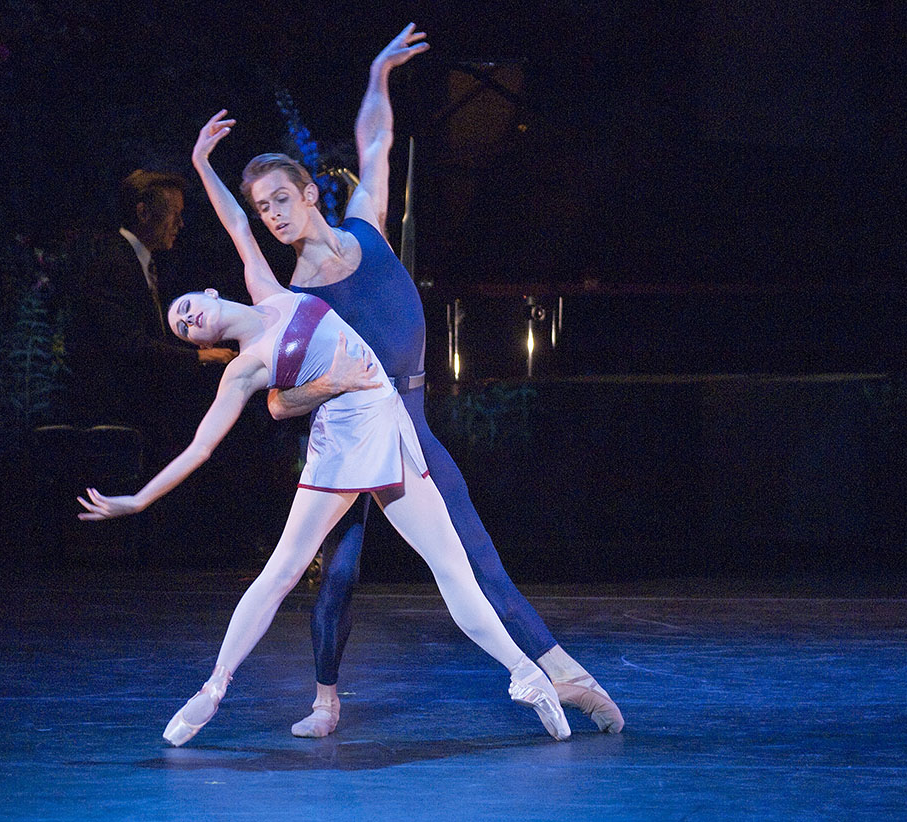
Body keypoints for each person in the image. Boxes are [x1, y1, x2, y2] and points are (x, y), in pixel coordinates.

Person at [76, 110, 571, 746]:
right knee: (282, 573)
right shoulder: (245, 372)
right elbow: (200, 448)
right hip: (337, 452)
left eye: (186, 309)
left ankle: (526, 676)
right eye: (182, 327)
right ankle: (213, 690)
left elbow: (234, 219)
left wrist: (201, 164)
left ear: (206, 291)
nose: (189, 320)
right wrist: (139, 499)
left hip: (387, 429)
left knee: (450, 565)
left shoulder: (266, 288)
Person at [248, 24, 623, 737]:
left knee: (478, 561)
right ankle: (326, 700)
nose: (273, 216)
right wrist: (324, 388)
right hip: (347, 439)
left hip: (410, 430)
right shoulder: (292, 298)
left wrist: (378, 75)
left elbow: (375, 142)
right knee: (340, 573)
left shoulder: (368, 229)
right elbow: (276, 402)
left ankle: (563, 675)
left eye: (280, 199)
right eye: (262, 209)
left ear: (307, 192)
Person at [71, 170, 236, 451]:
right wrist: (198, 356)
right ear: (143, 212)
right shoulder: (113, 261)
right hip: (117, 413)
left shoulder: (138, 259)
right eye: (174, 213)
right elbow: (125, 341)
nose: (181, 224)